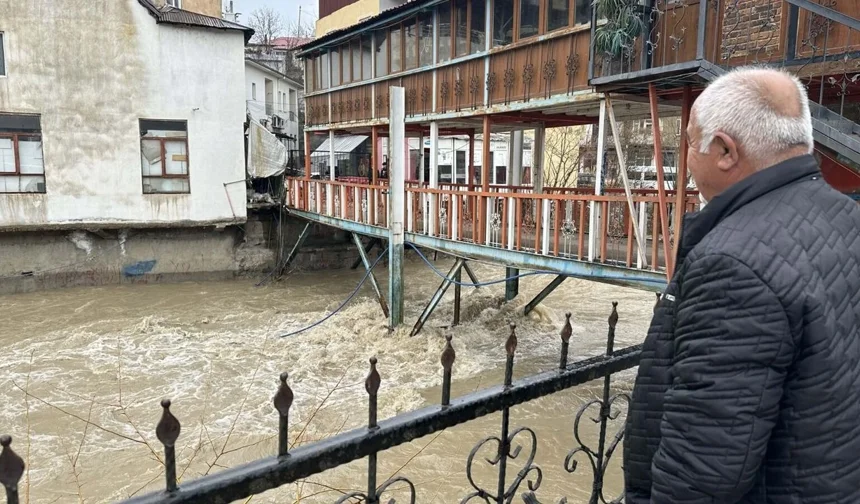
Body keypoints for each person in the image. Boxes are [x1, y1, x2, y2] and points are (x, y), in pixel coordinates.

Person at [624, 66, 860, 503]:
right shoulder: (848, 218)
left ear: (726, 151)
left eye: (691, 143)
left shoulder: (732, 264)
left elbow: (701, 470)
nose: (687, 157)